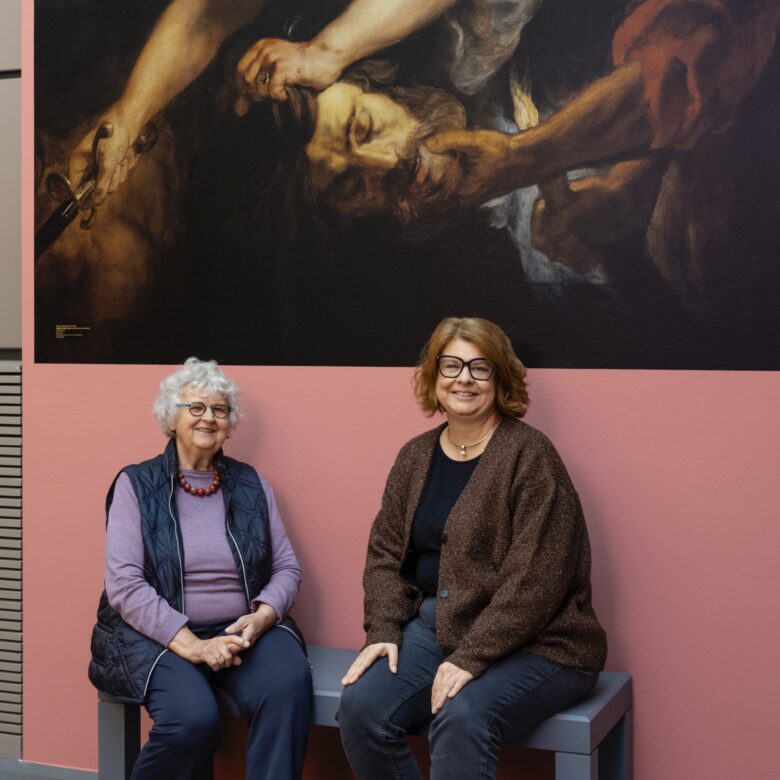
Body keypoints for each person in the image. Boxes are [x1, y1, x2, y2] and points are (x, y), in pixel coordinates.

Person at [337, 317, 607, 779]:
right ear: (433, 376)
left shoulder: (531, 456)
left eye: (480, 367)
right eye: (452, 365)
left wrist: (471, 656)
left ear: (500, 378)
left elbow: (537, 582)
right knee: (362, 708)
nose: (464, 377)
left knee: (461, 716)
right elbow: (384, 554)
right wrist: (383, 629)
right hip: (435, 628)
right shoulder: (414, 456)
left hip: (542, 643)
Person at [88, 358, 312, 779]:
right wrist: (192, 645)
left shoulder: (252, 484)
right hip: (159, 633)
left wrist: (264, 615)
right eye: (195, 407)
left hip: (242, 630)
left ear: (230, 424)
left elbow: (286, 568)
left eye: (220, 409)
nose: (208, 417)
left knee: (287, 688)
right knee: (193, 720)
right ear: (170, 417)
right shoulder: (135, 485)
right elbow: (124, 585)